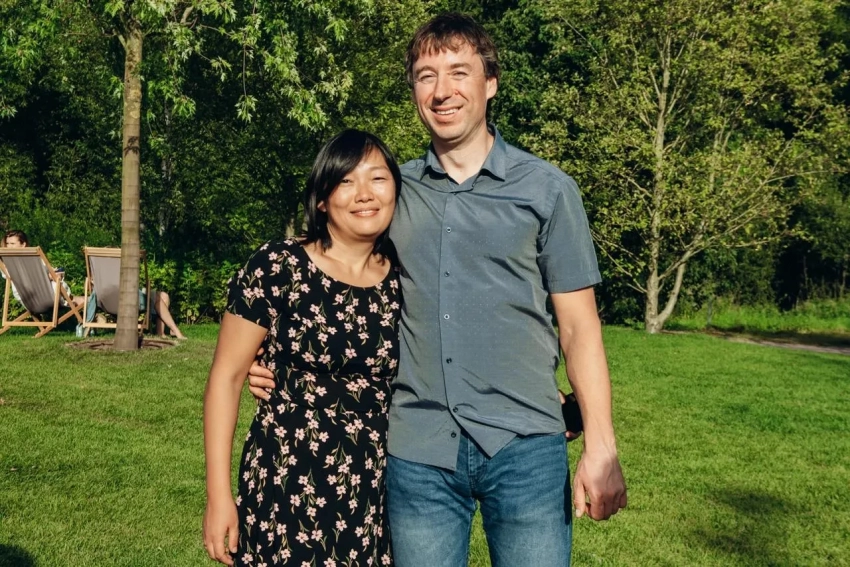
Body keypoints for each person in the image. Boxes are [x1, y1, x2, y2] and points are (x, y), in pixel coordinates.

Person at [248, 13, 628, 567]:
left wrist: (601, 444)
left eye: (458, 72)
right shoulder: (390, 193)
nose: (442, 90)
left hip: (525, 449)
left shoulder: (548, 191)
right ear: (414, 93)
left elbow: (579, 327)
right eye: (427, 76)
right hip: (419, 451)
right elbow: (327, 269)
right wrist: (275, 355)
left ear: (490, 83)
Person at [203, 129, 401, 566]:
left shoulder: (406, 278)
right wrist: (218, 496)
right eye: (346, 181)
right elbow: (226, 377)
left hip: (375, 489)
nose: (364, 194)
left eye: (378, 178)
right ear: (323, 199)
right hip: (287, 481)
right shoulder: (278, 266)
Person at [1, 229, 85, 312]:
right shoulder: (33, 258)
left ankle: (73, 301)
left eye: (12, 243)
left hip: (28, 303)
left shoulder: (7, 264)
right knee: (56, 280)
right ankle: (72, 300)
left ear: (23, 244)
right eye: (7, 243)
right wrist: (50, 276)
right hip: (48, 299)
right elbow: (37, 279)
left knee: (54, 280)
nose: (9, 246)